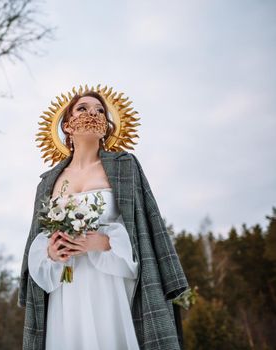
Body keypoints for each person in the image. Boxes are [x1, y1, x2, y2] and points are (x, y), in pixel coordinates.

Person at [18, 91, 189, 350]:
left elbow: (144, 231)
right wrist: (51, 252)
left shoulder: (125, 166)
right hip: (65, 288)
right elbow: (38, 238)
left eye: (100, 111)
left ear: (107, 126)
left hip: (109, 284)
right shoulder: (48, 181)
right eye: (82, 109)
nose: (93, 114)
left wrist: (104, 242)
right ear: (66, 125)